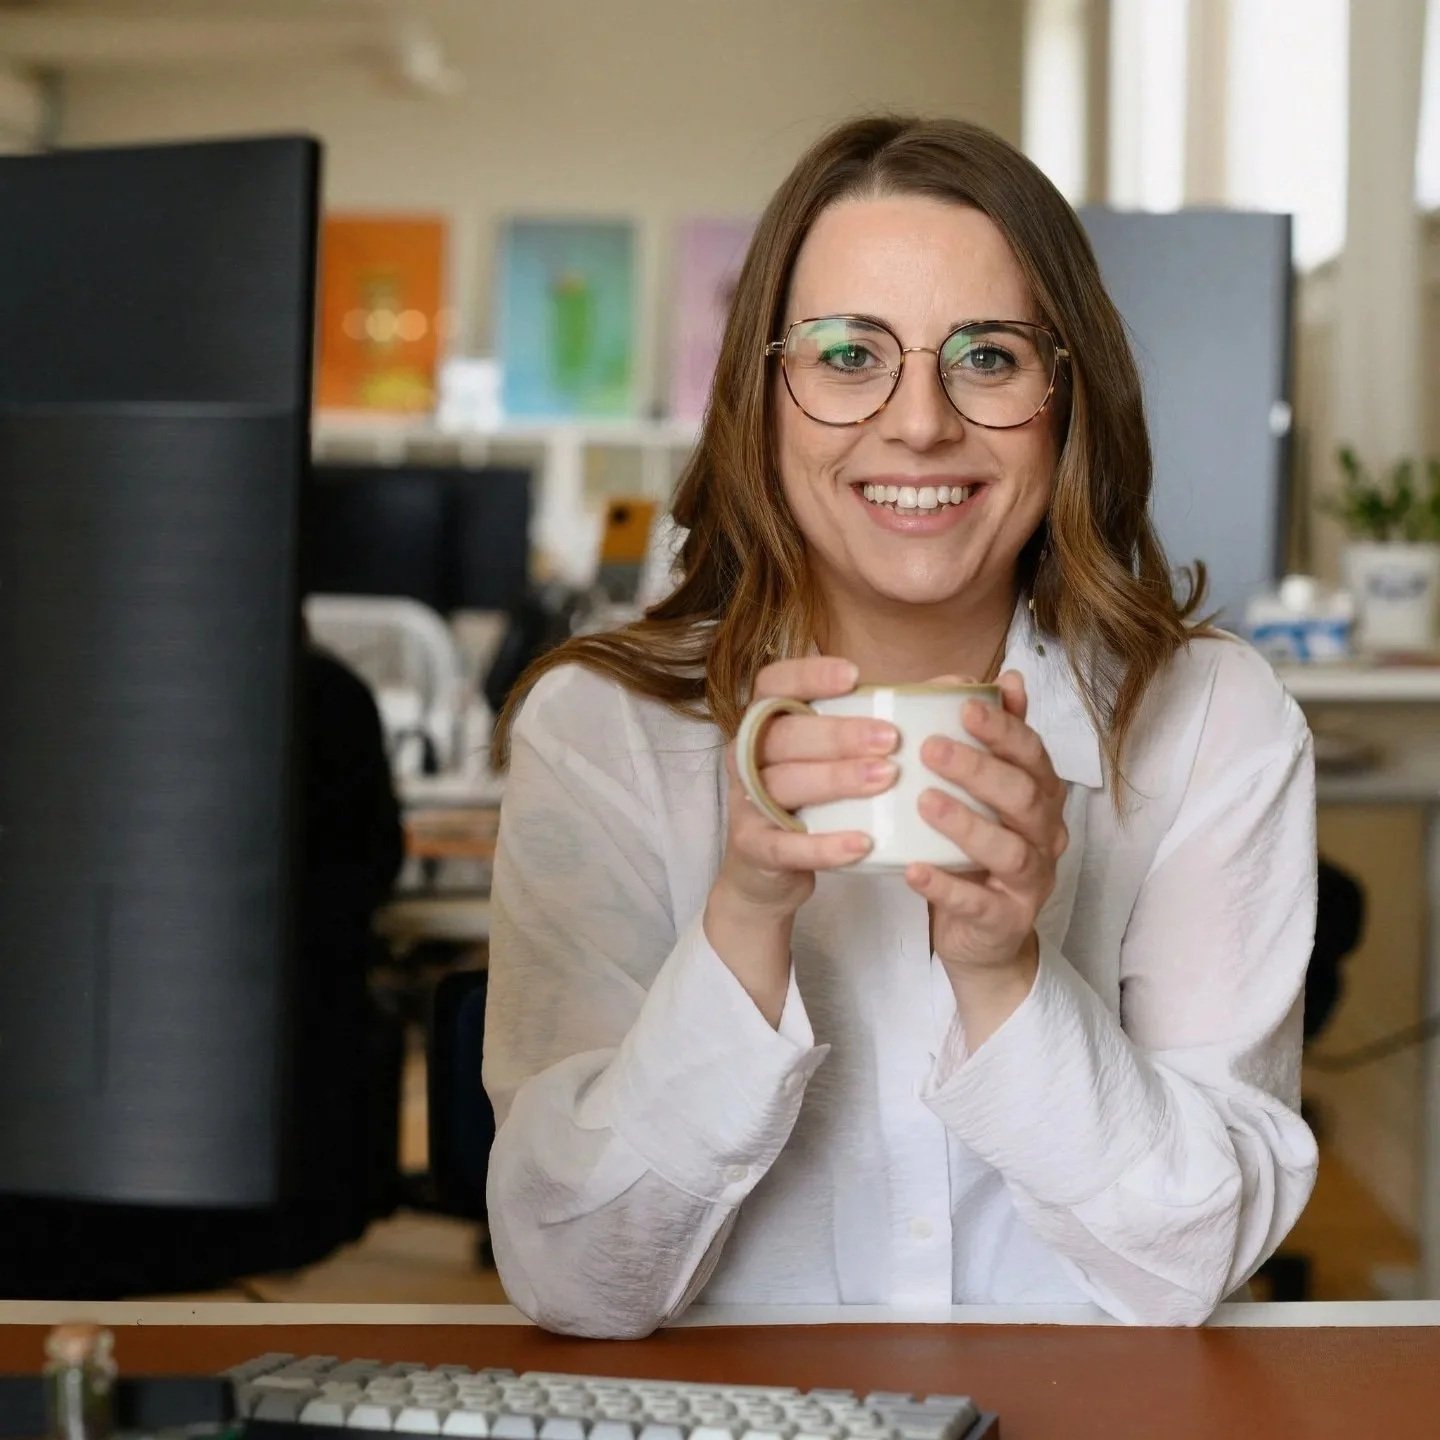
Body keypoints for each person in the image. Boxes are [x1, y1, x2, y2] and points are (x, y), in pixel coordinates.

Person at [482, 115, 1318, 1336]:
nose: (919, 422)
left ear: (1066, 397)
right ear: (760, 398)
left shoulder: (1208, 722)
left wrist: (1007, 974)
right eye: (845, 354)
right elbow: (575, 1280)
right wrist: (743, 923)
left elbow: (1190, 1262)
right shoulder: (599, 728)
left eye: (987, 357)